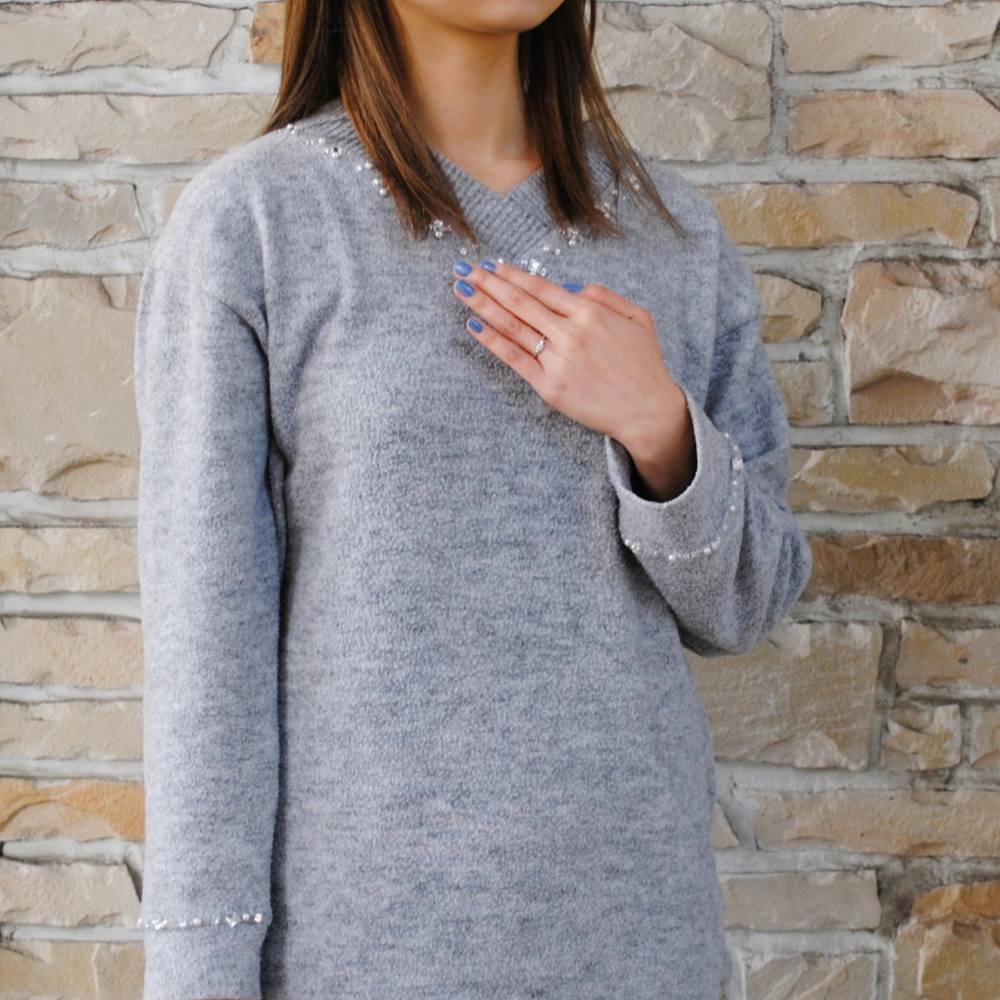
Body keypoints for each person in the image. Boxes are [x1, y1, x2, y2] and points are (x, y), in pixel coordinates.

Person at [132, 0, 813, 998]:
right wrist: (199, 971)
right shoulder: (257, 222)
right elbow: (207, 659)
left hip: (640, 944)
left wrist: (662, 429)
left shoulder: (670, 232)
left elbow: (747, 604)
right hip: (364, 959)